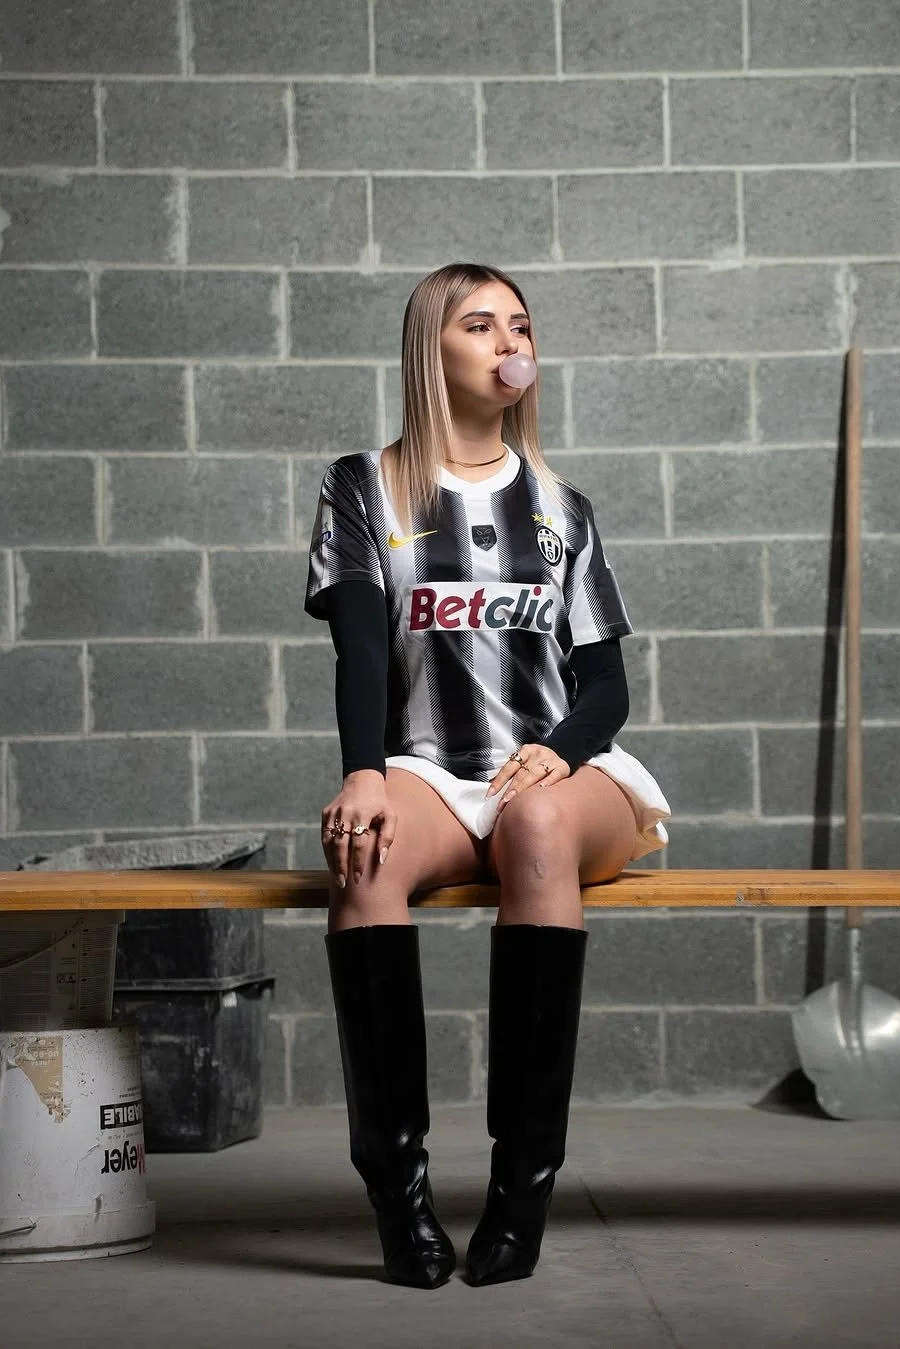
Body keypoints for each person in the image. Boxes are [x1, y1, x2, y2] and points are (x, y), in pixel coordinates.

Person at [304, 261, 671, 1290]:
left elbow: (607, 685)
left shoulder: (562, 506)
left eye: (520, 324)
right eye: (480, 324)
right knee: (364, 852)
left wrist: (561, 750)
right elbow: (361, 650)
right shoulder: (363, 485)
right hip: (427, 770)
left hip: (557, 776)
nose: (510, 341)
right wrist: (362, 772)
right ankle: (400, 1198)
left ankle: (521, 1193)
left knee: (537, 825)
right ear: (433, 349)